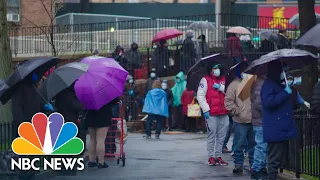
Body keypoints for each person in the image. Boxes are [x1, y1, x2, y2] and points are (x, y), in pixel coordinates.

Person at [260, 61, 297, 179]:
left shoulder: (277, 84)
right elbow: (269, 102)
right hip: (275, 126)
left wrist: (288, 88)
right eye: (282, 70)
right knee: (274, 158)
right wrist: (285, 92)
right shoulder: (268, 85)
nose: (284, 73)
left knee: (278, 157)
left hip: (280, 125)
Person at [224, 62, 255, 174]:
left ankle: (253, 165)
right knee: (239, 144)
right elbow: (228, 102)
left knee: (253, 145)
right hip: (240, 120)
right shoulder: (234, 85)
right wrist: (237, 112)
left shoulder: (252, 83)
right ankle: (238, 165)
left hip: (253, 119)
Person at [197, 63, 229, 166]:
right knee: (212, 135)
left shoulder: (224, 79)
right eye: (215, 68)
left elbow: (230, 92)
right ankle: (210, 157)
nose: (217, 70)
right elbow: (200, 96)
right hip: (212, 113)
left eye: (219, 68)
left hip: (224, 112)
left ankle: (218, 156)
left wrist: (220, 87)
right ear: (211, 69)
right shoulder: (205, 80)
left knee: (222, 136)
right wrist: (206, 110)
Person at [11, 72, 53, 138]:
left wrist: (44, 107)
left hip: (35, 123)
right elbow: (16, 108)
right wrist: (22, 124)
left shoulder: (33, 86)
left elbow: (36, 103)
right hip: (25, 125)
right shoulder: (19, 89)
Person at [86, 98, 119, 168]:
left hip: (90, 115)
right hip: (103, 116)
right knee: (100, 140)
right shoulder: (106, 90)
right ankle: (101, 162)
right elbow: (115, 101)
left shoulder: (89, 90)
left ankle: (91, 161)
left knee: (92, 140)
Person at [250, 74, 268, 179]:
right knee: (261, 146)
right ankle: (256, 169)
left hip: (259, 120)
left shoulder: (259, 83)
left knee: (263, 146)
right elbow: (258, 103)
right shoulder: (260, 84)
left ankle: (261, 167)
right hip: (260, 120)